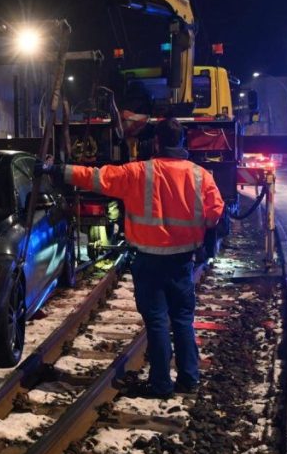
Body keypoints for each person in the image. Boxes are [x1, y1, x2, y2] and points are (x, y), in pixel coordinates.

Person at [53, 118, 224, 399]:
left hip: (148, 260)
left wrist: (60, 170)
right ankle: (189, 379)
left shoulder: (138, 172)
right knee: (182, 319)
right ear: (182, 142)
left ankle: (161, 385)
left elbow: (97, 177)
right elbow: (214, 212)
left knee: (157, 322)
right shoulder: (199, 175)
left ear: (156, 142)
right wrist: (194, 227)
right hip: (182, 261)